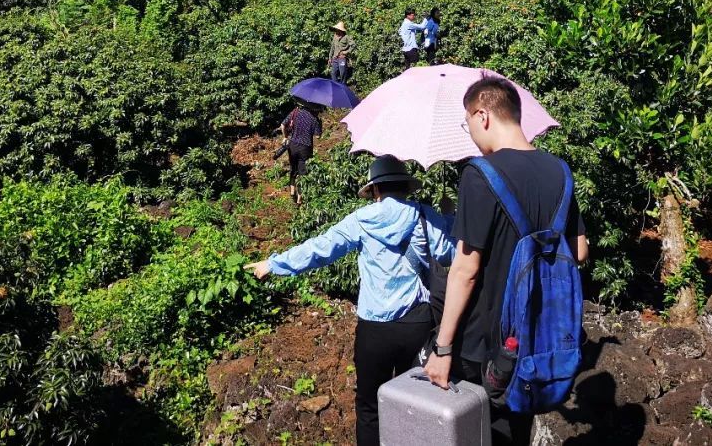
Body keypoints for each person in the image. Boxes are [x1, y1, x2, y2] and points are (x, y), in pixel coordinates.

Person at [423, 77, 589, 445]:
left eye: (467, 123)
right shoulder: (560, 172)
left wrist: (442, 348)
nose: (470, 133)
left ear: (482, 114)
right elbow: (578, 252)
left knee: (475, 433)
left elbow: (465, 271)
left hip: (486, 345)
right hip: (536, 337)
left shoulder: (480, 174)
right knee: (516, 432)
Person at [245, 156, 455, 446]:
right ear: (405, 188)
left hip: (375, 330)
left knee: (369, 404)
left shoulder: (361, 220)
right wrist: (450, 218)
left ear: (375, 190)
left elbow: (320, 249)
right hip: (416, 323)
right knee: (414, 402)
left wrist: (275, 264)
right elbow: (450, 255)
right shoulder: (424, 215)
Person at [281, 100, 322, 205]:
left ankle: (292, 192)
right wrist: (319, 125)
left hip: (293, 145)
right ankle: (299, 198)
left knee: (293, 169)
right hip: (306, 148)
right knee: (303, 173)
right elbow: (317, 136)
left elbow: (283, 125)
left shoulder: (296, 112)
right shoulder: (315, 119)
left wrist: (285, 137)